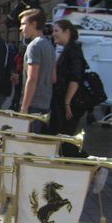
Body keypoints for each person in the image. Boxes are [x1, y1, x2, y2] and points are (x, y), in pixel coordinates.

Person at [49, 20, 88, 157]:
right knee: (63, 140)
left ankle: (97, 168)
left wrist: (67, 103)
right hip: (63, 102)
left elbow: (75, 79)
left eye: (56, 31)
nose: (53, 34)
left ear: (67, 32)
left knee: (66, 141)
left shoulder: (73, 50)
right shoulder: (68, 49)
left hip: (70, 104)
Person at [18, 8, 55, 133]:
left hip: (33, 104)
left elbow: (32, 79)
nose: (21, 28)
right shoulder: (49, 45)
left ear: (33, 24)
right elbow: (53, 77)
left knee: (27, 144)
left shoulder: (34, 46)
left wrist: (24, 108)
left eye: (23, 24)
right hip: (45, 102)